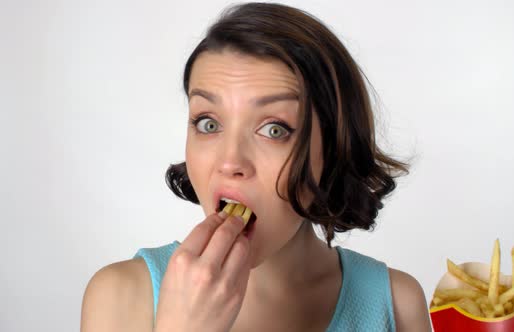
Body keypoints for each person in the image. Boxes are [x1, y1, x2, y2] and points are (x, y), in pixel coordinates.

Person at [81, 2, 431, 331]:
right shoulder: (121, 298)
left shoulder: (396, 304)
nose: (230, 161)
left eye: (274, 129)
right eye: (208, 123)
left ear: (335, 149)